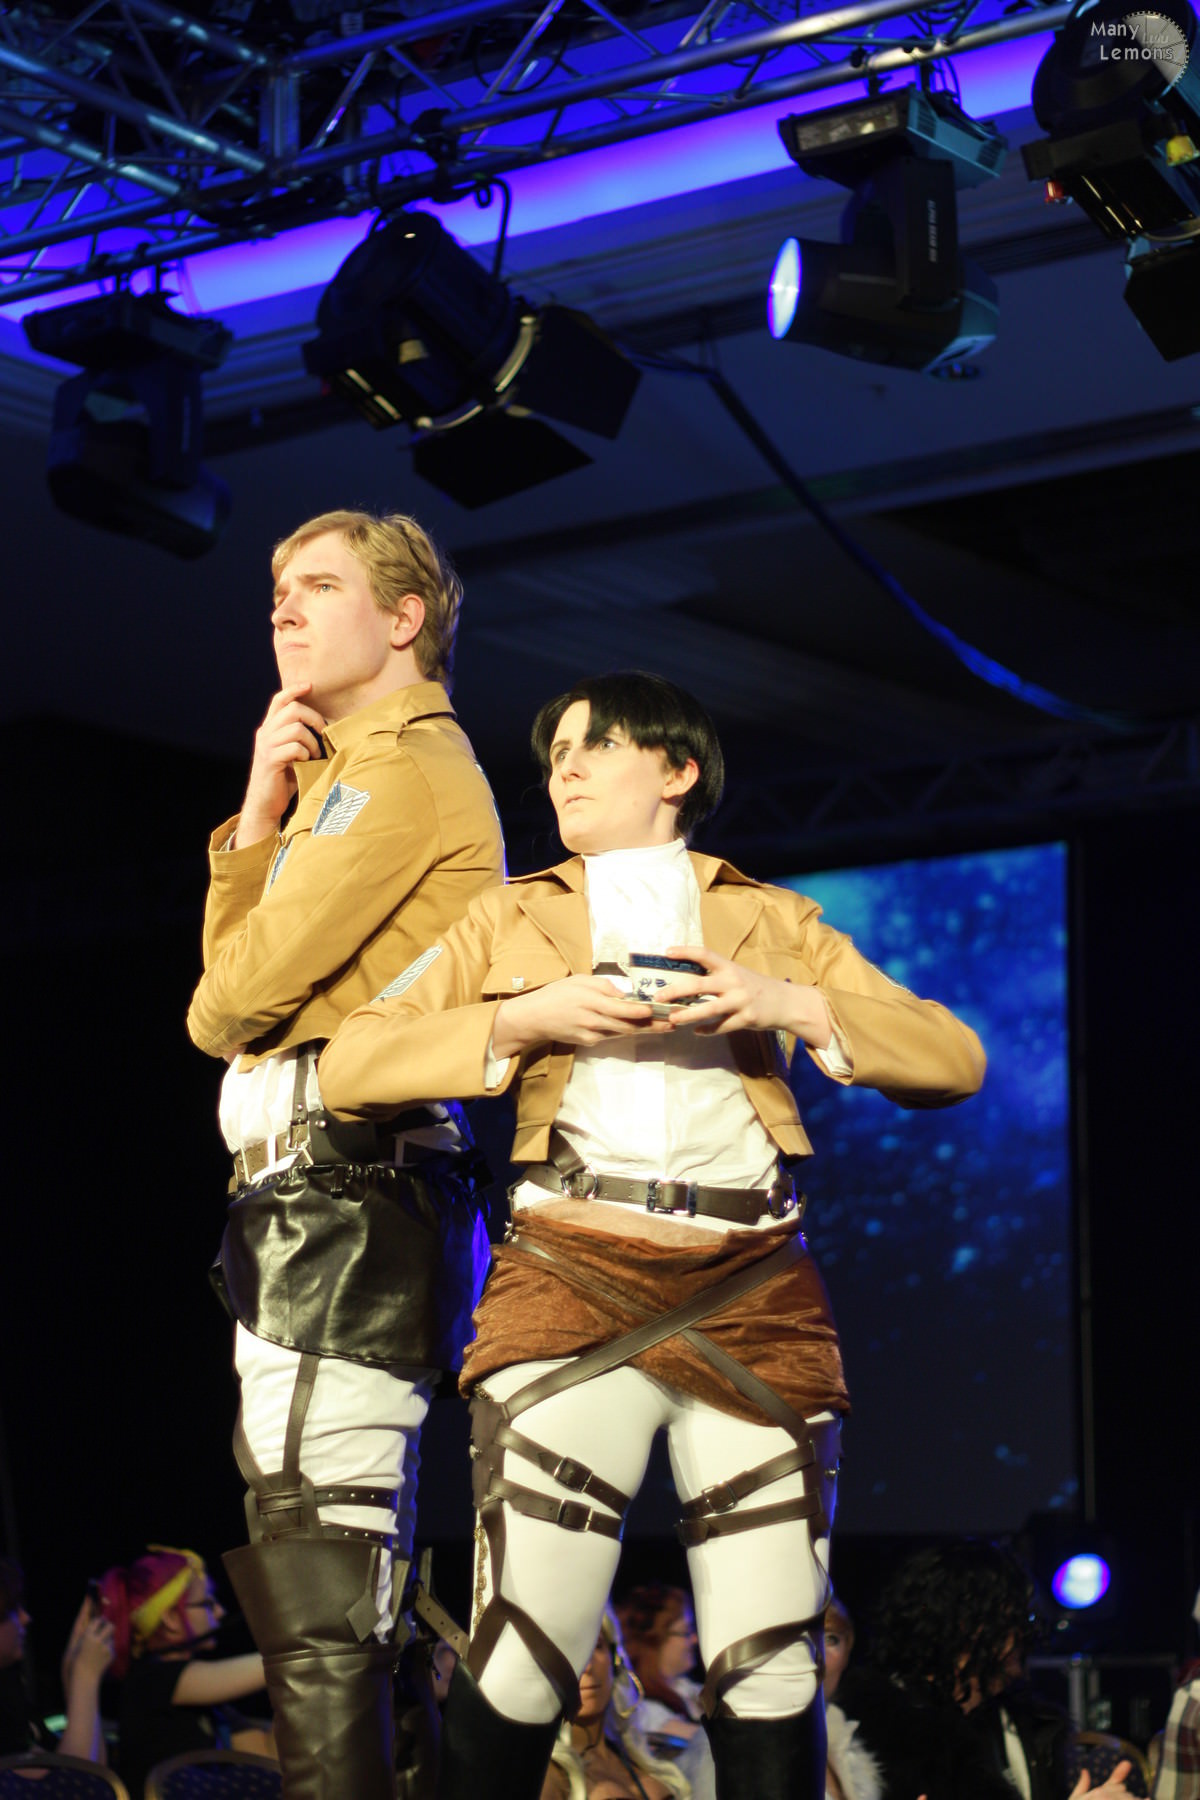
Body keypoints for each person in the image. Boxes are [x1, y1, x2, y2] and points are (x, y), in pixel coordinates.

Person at [320, 669, 988, 1800]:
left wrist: (784, 1003)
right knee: (529, 1649)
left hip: (755, 1288)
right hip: (574, 1276)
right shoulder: (509, 915)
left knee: (772, 1665)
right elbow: (352, 1063)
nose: (565, 769)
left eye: (595, 746)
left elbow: (953, 1058)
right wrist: (524, 1017)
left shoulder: (772, 920)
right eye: (555, 755)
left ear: (677, 770)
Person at [185, 509, 505, 1798]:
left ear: (404, 616)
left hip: (351, 1195)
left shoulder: (401, 773)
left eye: (318, 586)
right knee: (322, 1559)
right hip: (321, 1199)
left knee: (324, 1561)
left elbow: (224, 1005)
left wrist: (264, 852)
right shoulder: (344, 776)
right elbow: (237, 989)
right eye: (277, 590)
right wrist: (261, 816)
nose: (284, 609)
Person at [836, 1540, 1137, 1800]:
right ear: (966, 1626)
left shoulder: (1024, 1729)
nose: (1024, 1634)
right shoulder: (883, 1737)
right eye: (1013, 1619)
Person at [98, 1546, 270, 1799]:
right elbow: (272, 1666)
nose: (220, 1612)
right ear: (170, 1617)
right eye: (207, 1603)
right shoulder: (151, 1679)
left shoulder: (206, 1700)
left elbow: (266, 1755)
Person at [540, 1608, 690, 1800]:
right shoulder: (550, 1775)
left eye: (596, 1646)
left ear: (615, 1660)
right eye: (569, 1653)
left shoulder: (642, 1758)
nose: (587, 1666)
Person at [0, 1555, 113, 1763]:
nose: (25, 1618)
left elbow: (97, 1774)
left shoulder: (9, 1687)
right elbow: (72, 1780)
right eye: (12, 1610)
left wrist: (72, 1672)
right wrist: (85, 1677)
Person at [821, 1596, 882, 1800]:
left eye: (831, 1639)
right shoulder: (747, 1749)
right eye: (802, 1639)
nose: (817, 1655)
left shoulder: (843, 1740)